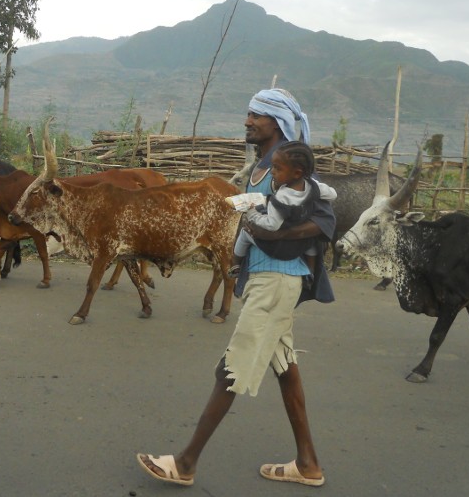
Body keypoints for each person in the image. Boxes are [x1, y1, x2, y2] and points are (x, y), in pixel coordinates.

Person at [136, 87, 335, 488]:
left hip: (277, 281)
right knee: (285, 369)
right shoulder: (266, 166)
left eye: (255, 116)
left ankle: (186, 462)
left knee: (230, 368)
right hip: (268, 279)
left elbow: (325, 220)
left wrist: (274, 238)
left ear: (275, 122)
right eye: (248, 114)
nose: (247, 121)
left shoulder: (292, 170)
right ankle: (308, 463)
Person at [228, 141, 337, 285]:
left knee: (245, 233)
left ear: (296, 173)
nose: (272, 171)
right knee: (311, 242)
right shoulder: (314, 186)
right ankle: (310, 271)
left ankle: (236, 264)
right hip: (300, 245)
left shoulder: (281, 197)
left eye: (277, 168)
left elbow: (272, 225)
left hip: (279, 248)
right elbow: (333, 194)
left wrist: (252, 214)